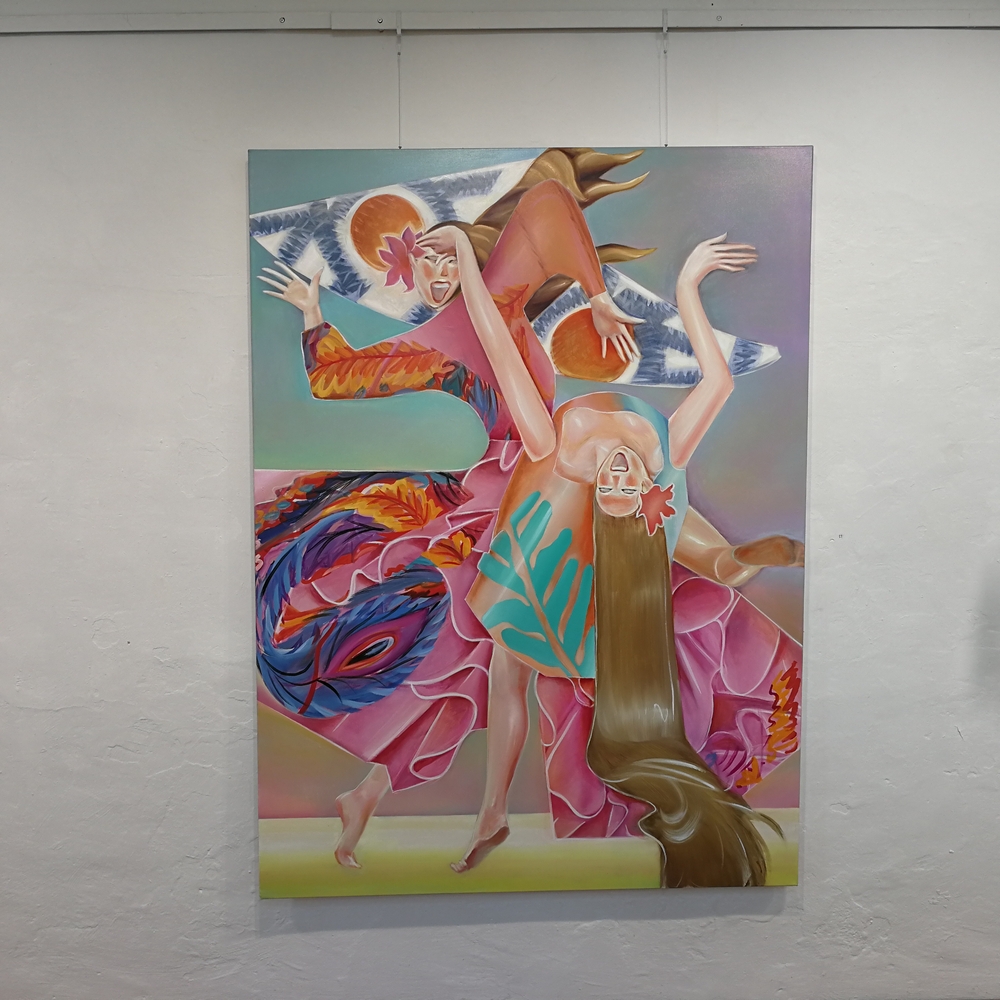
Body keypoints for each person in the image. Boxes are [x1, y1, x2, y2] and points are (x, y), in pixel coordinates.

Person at [254, 153, 801, 869]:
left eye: (445, 256)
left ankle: (426, 798)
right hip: (521, 490)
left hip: (548, 490)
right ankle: (397, 795)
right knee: (471, 658)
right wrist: (312, 315)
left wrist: (594, 293)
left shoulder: (503, 307)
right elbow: (335, 379)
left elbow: (546, 207)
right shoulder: (434, 343)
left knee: (492, 657)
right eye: (427, 261)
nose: (436, 271)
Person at [464, 235, 787, 887]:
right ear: (645, 492)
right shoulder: (664, 458)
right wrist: (689, 285)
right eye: (623, 485)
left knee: (507, 666)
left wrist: (468, 264)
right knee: (513, 669)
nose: (616, 474)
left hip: (544, 537)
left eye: (608, 487)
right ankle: (494, 811)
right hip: (604, 545)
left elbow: (498, 345)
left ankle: (491, 811)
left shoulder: (555, 447)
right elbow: (718, 380)